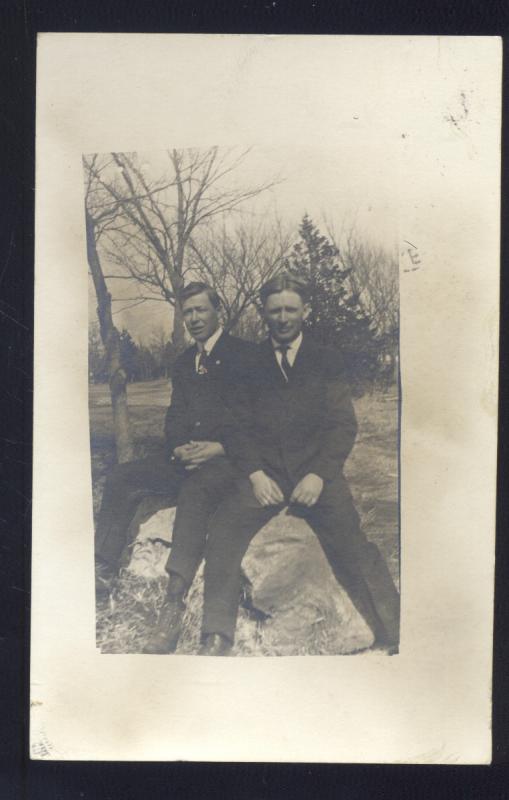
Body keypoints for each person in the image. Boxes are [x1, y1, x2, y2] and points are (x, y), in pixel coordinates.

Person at [198, 273, 400, 656]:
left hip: (317, 477)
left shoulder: (326, 360)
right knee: (224, 529)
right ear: (263, 313)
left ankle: (395, 630)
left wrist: (320, 475)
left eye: (291, 309)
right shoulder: (249, 363)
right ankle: (216, 636)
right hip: (266, 477)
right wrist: (255, 475)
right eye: (275, 310)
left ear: (305, 311)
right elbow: (235, 428)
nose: (283, 317)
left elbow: (343, 425)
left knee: (354, 545)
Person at [94, 282, 257, 654]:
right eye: (189, 313)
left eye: (201, 310)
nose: (195, 318)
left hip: (227, 463)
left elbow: (258, 421)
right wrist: (178, 448)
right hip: (187, 459)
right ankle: (101, 573)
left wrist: (219, 448)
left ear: (219, 311)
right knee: (122, 476)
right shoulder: (184, 362)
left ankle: (173, 603)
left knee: (196, 492)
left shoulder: (246, 356)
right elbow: (175, 417)